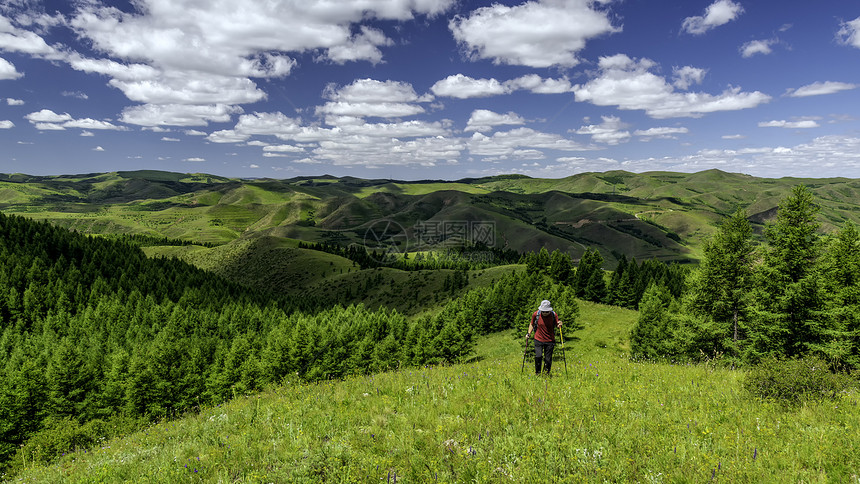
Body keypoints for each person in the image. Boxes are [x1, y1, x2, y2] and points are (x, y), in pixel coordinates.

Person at [525, 300, 562, 376]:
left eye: (546, 311)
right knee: (538, 356)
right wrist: (528, 333)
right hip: (538, 339)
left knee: (548, 360)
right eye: (543, 311)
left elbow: (557, 325)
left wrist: (560, 324)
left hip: (550, 340)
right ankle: (537, 374)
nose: (545, 313)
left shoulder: (553, 315)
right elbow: (532, 324)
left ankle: (546, 375)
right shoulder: (536, 314)